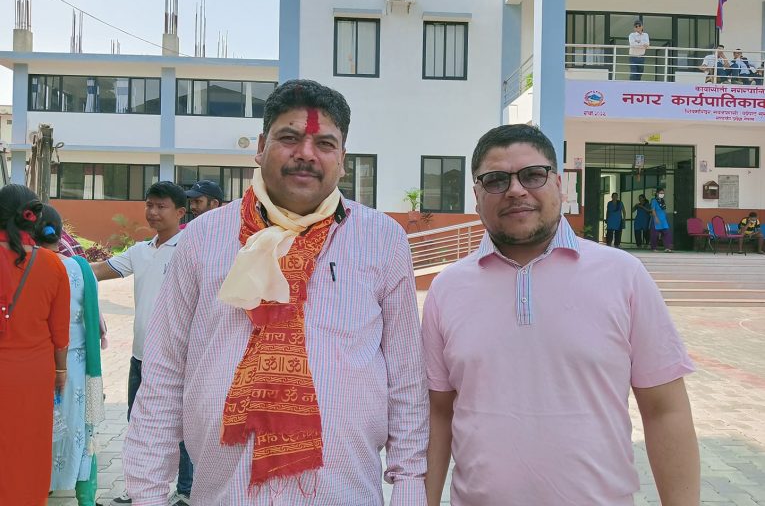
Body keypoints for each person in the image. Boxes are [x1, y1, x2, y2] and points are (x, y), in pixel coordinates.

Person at [123, 79, 428, 505]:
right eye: (289, 138)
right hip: (224, 493)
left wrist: (409, 487)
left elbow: (407, 379)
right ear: (262, 145)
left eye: (325, 143)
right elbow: (165, 373)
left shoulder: (383, 239)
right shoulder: (204, 238)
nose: (306, 153)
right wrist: (147, 495)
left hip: (344, 492)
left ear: (342, 159)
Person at [423, 124, 700, 506]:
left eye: (532, 175)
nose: (515, 190)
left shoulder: (623, 276)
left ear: (559, 185)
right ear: (476, 196)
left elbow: (664, 411)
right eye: (496, 180)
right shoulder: (447, 289)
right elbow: (437, 415)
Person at [90, 181, 188, 506]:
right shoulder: (140, 251)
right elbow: (98, 271)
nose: (153, 212)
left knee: (183, 428)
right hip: (141, 356)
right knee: (138, 424)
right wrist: (56, 266)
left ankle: (186, 490)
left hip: (179, 358)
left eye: (161, 206)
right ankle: (139, 489)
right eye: (149, 205)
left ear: (180, 212)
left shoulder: (190, 248)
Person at [0, 184, 71, 505]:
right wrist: (61, 371)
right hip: (34, 373)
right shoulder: (53, 264)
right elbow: (60, 332)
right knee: (29, 446)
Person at [34, 205, 106, 506]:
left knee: (39, 427)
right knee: (81, 427)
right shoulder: (80, 268)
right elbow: (96, 320)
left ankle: (40, 486)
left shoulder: (28, 267)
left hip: (38, 359)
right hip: (77, 361)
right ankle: (85, 496)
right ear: (61, 234)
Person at [650, 188, 673, 252]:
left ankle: (667, 247)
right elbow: (653, 210)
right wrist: (656, 217)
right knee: (655, 235)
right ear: (657, 193)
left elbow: (664, 210)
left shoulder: (663, 201)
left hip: (663, 220)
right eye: (661, 193)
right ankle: (654, 248)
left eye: (663, 193)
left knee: (667, 233)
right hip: (657, 219)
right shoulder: (654, 201)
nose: (662, 194)